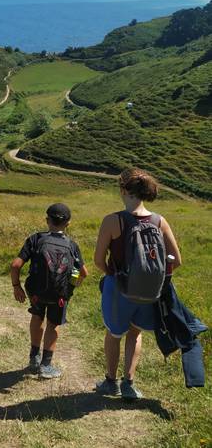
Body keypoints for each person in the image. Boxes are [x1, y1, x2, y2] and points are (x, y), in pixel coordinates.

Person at [93, 168, 182, 400]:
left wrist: (113, 276)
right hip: (148, 290)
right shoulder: (159, 221)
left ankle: (110, 382)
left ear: (123, 190)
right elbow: (177, 260)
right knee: (135, 333)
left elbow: (98, 260)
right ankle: (129, 385)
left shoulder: (112, 221)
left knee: (114, 334)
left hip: (118, 288)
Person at [10, 203, 88, 379]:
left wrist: (17, 287)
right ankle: (46, 366)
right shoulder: (72, 245)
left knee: (37, 317)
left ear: (47, 220)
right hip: (60, 295)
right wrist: (72, 286)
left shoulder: (36, 239)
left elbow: (15, 265)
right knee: (53, 324)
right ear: (68, 223)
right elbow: (84, 273)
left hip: (36, 292)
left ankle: (33, 358)